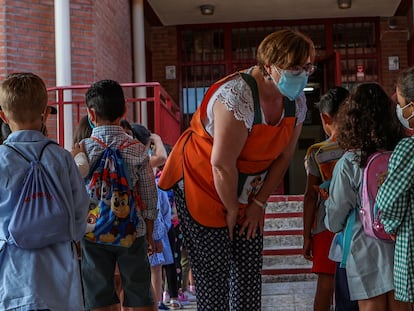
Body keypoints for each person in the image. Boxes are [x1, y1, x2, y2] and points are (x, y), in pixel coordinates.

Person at [158, 29, 315, 310]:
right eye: (294, 67)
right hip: (203, 181)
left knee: (247, 268)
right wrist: (231, 208)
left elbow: (284, 157)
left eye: (307, 67)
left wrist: (258, 203)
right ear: (270, 66)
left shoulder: (296, 101)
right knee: (214, 273)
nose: (302, 74)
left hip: (247, 186)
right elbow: (221, 164)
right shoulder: (236, 95)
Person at [0, 72, 89, 310]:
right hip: (59, 278)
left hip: (13, 277)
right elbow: (80, 211)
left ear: (3, 115)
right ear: (46, 112)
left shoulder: (1, 159)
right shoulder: (61, 157)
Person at [324, 83, 410, 311]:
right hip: (401, 246)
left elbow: (334, 220)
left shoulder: (349, 163)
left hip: (364, 250)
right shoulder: (403, 153)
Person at [80, 79, 158, 311]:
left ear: (91, 114)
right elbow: (149, 195)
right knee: (139, 292)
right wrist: (150, 234)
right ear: (124, 111)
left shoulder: (81, 149)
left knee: (98, 295)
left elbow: (75, 195)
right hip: (132, 231)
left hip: (93, 232)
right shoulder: (137, 149)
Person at [303, 86, 350, 311]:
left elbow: (310, 197)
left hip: (324, 227)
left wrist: (306, 236)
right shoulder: (361, 147)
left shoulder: (317, 152)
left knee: (325, 283)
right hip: (356, 224)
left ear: (325, 117)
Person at [376, 66, 414, 304]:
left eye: (401, 104)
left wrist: (390, 225)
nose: (399, 110)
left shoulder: (408, 149)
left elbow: (389, 202)